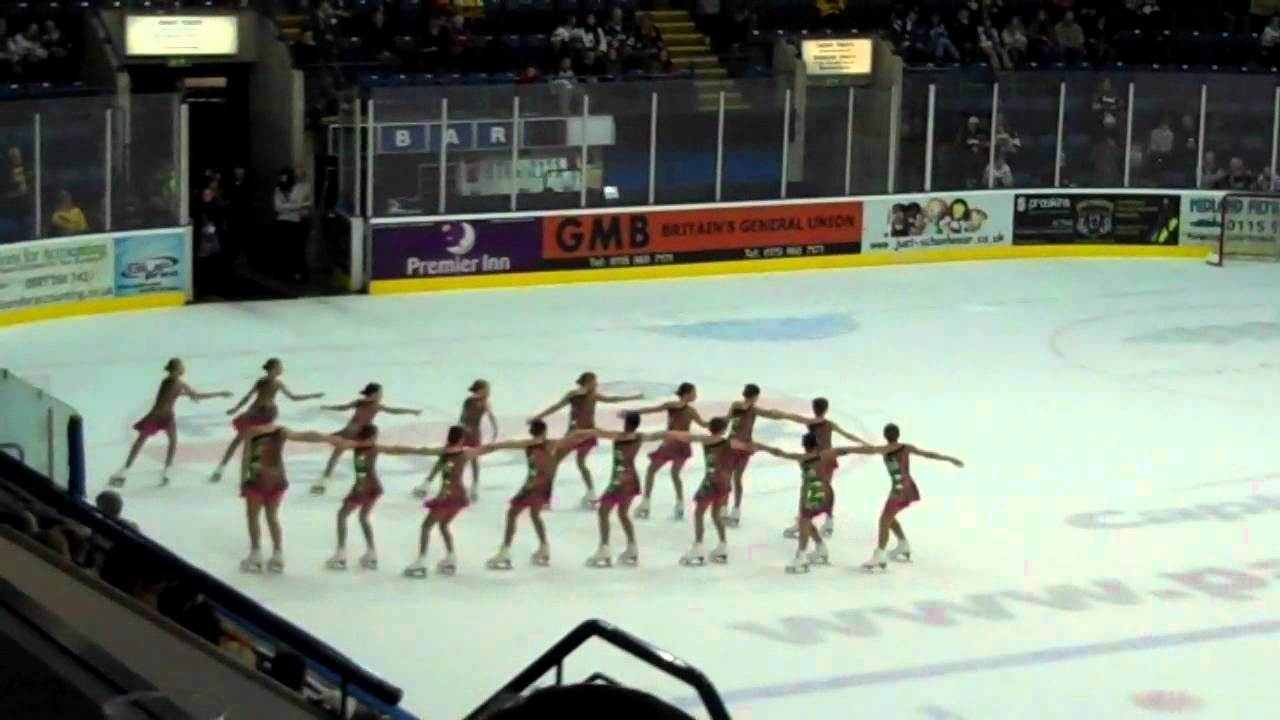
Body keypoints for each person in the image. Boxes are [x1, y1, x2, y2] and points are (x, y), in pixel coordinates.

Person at [237, 408, 344, 573]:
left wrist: (243, 479)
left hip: (258, 479)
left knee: (253, 516)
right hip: (278, 479)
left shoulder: (251, 431)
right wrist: (327, 437)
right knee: (272, 516)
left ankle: (256, 553)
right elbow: (307, 436)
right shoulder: (282, 431)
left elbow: (246, 456)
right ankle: (278, 554)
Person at [846, 423, 964, 571]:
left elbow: (864, 450)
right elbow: (928, 454)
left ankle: (880, 554)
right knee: (889, 517)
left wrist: (845, 449)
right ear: (898, 435)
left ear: (885, 435)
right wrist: (949, 458)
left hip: (899, 489)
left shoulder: (883, 450)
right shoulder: (906, 447)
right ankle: (903, 545)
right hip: (907, 485)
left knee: (884, 519)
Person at [380, 426, 486, 578]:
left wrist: (394, 449)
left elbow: (422, 452)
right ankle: (451, 558)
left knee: (426, 527)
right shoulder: (465, 453)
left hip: (446, 496)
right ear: (461, 439)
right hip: (459, 495)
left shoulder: (444, 452)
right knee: (443, 525)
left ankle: (422, 561)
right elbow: (486, 449)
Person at [755, 434, 870, 573]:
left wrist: (761, 446)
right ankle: (820, 548)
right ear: (816, 444)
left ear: (804, 446)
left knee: (804, 520)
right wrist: (869, 448)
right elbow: (846, 450)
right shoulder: (826, 454)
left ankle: (801, 556)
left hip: (813, 494)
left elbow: (779, 452)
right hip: (827, 493)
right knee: (805, 520)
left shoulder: (801, 459)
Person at [483, 421, 590, 570]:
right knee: (534, 514)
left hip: (532, 485)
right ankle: (544, 547)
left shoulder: (529, 444)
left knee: (512, 513)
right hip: (545, 487)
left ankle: (505, 551)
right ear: (544, 431)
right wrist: (588, 433)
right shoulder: (552, 444)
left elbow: (510, 443)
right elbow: (572, 439)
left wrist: (493, 446)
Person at [528, 372, 643, 510]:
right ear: (587, 382)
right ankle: (587, 494)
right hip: (578, 435)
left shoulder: (591, 395)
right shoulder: (576, 395)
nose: (596, 384)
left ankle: (554, 499)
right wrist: (538, 416)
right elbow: (556, 407)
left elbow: (613, 399)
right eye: (594, 381)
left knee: (562, 463)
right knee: (570, 463)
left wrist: (633, 397)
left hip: (583, 434)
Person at [110, 359, 231, 487]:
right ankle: (141, 472)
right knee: (151, 442)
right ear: (176, 370)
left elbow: (178, 393)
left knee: (156, 442)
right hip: (161, 416)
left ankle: (158, 472)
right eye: (181, 367)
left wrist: (188, 395)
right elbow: (191, 394)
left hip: (162, 416)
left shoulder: (171, 382)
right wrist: (219, 393)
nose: (183, 369)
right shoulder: (175, 383)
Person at [759, 397, 868, 539]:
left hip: (814, 460)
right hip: (829, 459)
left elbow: (792, 417)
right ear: (826, 409)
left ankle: (801, 521)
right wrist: (863, 442)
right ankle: (829, 521)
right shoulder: (830, 424)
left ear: (813, 408)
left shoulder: (810, 423)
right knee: (826, 488)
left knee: (806, 489)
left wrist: (775, 412)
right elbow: (847, 434)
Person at [210, 358, 324, 483]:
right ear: (273, 369)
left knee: (247, 443)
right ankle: (224, 469)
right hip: (259, 415)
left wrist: (235, 409)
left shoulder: (267, 382)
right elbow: (292, 397)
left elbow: (249, 397)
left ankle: (225, 469)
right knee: (246, 443)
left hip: (261, 415)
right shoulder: (272, 383)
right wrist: (235, 408)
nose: (282, 369)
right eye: (280, 367)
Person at [574, 413, 665, 568]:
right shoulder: (639, 436)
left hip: (619, 479)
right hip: (632, 479)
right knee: (623, 514)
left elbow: (599, 432)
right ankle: (632, 548)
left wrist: (580, 432)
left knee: (603, 511)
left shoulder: (620, 436)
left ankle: (604, 548)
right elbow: (657, 435)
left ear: (627, 423)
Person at [665, 418, 750, 566]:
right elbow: (748, 447)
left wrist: (670, 432)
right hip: (724, 483)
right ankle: (723, 546)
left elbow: (687, 436)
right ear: (724, 430)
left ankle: (698, 547)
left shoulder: (706, 440)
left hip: (711, 481)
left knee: (699, 513)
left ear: (710, 428)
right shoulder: (730, 442)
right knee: (716, 515)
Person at [313, 383, 419, 494]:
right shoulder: (363, 403)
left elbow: (394, 411)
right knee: (338, 455)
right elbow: (343, 407)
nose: (382, 395)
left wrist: (411, 411)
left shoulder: (372, 404)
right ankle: (325, 479)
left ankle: (354, 482)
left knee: (354, 457)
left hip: (360, 433)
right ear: (373, 394)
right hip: (351, 432)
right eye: (380, 393)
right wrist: (328, 407)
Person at [630, 382, 707, 521]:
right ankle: (679, 504)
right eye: (694, 392)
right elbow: (704, 425)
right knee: (675, 474)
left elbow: (653, 409)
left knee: (652, 471)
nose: (696, 395)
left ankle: (646, 503)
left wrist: (635, 412)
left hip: (670, 443)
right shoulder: (689, 411)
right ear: (686, 394)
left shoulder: (680, 408)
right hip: (682, 445)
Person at [326, 424, 384, 570]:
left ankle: (341, 554)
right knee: (363, 517)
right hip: (374, 486)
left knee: (342, 515)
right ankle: (371, 553)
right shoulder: (371, 447)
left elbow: (344, 444)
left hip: (362, 487)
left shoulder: (362, 446)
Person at [458, 379, 498, 501]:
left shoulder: (485, 402)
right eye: (487, 389)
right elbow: (462, 417)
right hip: (464, 432)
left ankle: (474, 486)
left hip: (475, 433)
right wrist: (464, 428)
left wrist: (495, 429)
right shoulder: (469, 401)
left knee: (474, 459)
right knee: (459, 458)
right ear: (481, 390)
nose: (489, 391)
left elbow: (491, 415)